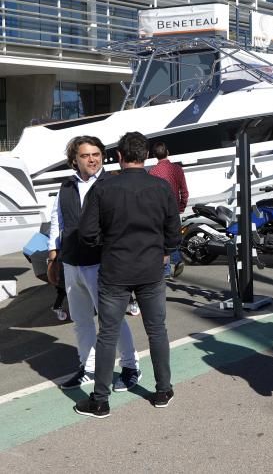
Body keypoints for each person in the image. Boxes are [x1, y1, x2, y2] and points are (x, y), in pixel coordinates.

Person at [74, 131, 181, 418]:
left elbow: (87, 233)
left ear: (119, 157)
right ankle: (162, 390)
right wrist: (163, 248)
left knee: (108, 334)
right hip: (150, 268)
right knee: (157, 330)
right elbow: (173, 233)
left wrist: (105, 245)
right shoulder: (161, 187)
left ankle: (100, 400)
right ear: (145, 155)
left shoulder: (104, 188)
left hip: (115, 268)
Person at [48, 136, 139, 391]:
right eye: (86, 155)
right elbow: (58, 220)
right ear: (74, 159)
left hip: (102, 264)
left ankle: (131, 366)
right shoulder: (65, 187)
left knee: (112, 319)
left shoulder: (113, 183)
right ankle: (88, 368)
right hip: (72, 263)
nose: (92, 159)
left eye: (96, 154)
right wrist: (53, 255)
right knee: (81, 321)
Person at [148, 141, 188, 279]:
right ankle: (176, 260)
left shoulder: (152, 172)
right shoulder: (177, 169)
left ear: (154, 155)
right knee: (173, 237)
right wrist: (182, 206)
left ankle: (165, 270)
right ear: (168, 152)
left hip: (159, 210)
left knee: (161, 239)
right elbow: (184, 190)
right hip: (174, 208)